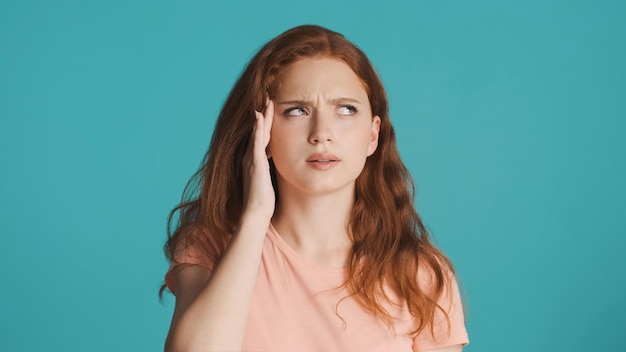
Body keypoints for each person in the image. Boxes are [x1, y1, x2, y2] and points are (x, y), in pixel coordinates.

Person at [161, 24, 469, 352]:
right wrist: (255, 216)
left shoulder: (420, 274)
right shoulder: (211, 246)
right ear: (262, 132)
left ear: (373, 134)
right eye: (297, 110)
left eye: (346, 109)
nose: (322, 133)